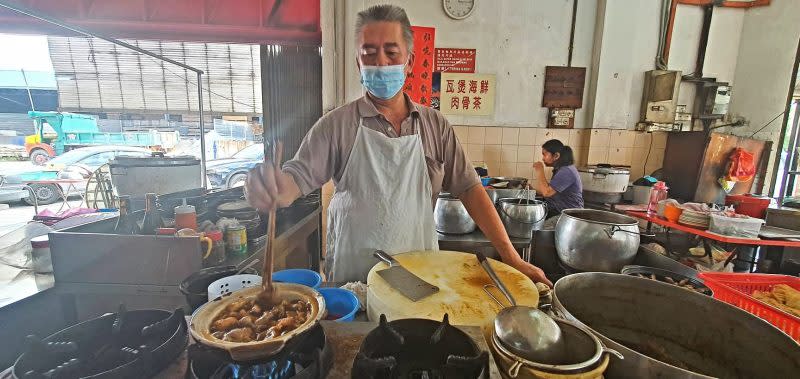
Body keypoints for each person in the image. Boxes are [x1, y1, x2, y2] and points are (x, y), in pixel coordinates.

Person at [245, 4, 552, 286]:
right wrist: (269, 187)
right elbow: (294, 179)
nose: (380, 62)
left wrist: (511, 257)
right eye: (369, 53)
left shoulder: (436, 126)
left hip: (417, 274)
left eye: (391, 52)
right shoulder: (335, 126)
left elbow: (470, 189)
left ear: (410, 60)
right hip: (354, 277)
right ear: (358, 62)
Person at [532, 139, 583, 217]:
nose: (543, 158)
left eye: (544, 154)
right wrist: (532, 190)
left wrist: (540, 171)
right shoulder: (560, 169)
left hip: (569, 216)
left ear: (556, 156)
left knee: (539, 227)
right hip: (558, 211)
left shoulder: (566, 171)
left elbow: (547, 193)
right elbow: (551, 191)